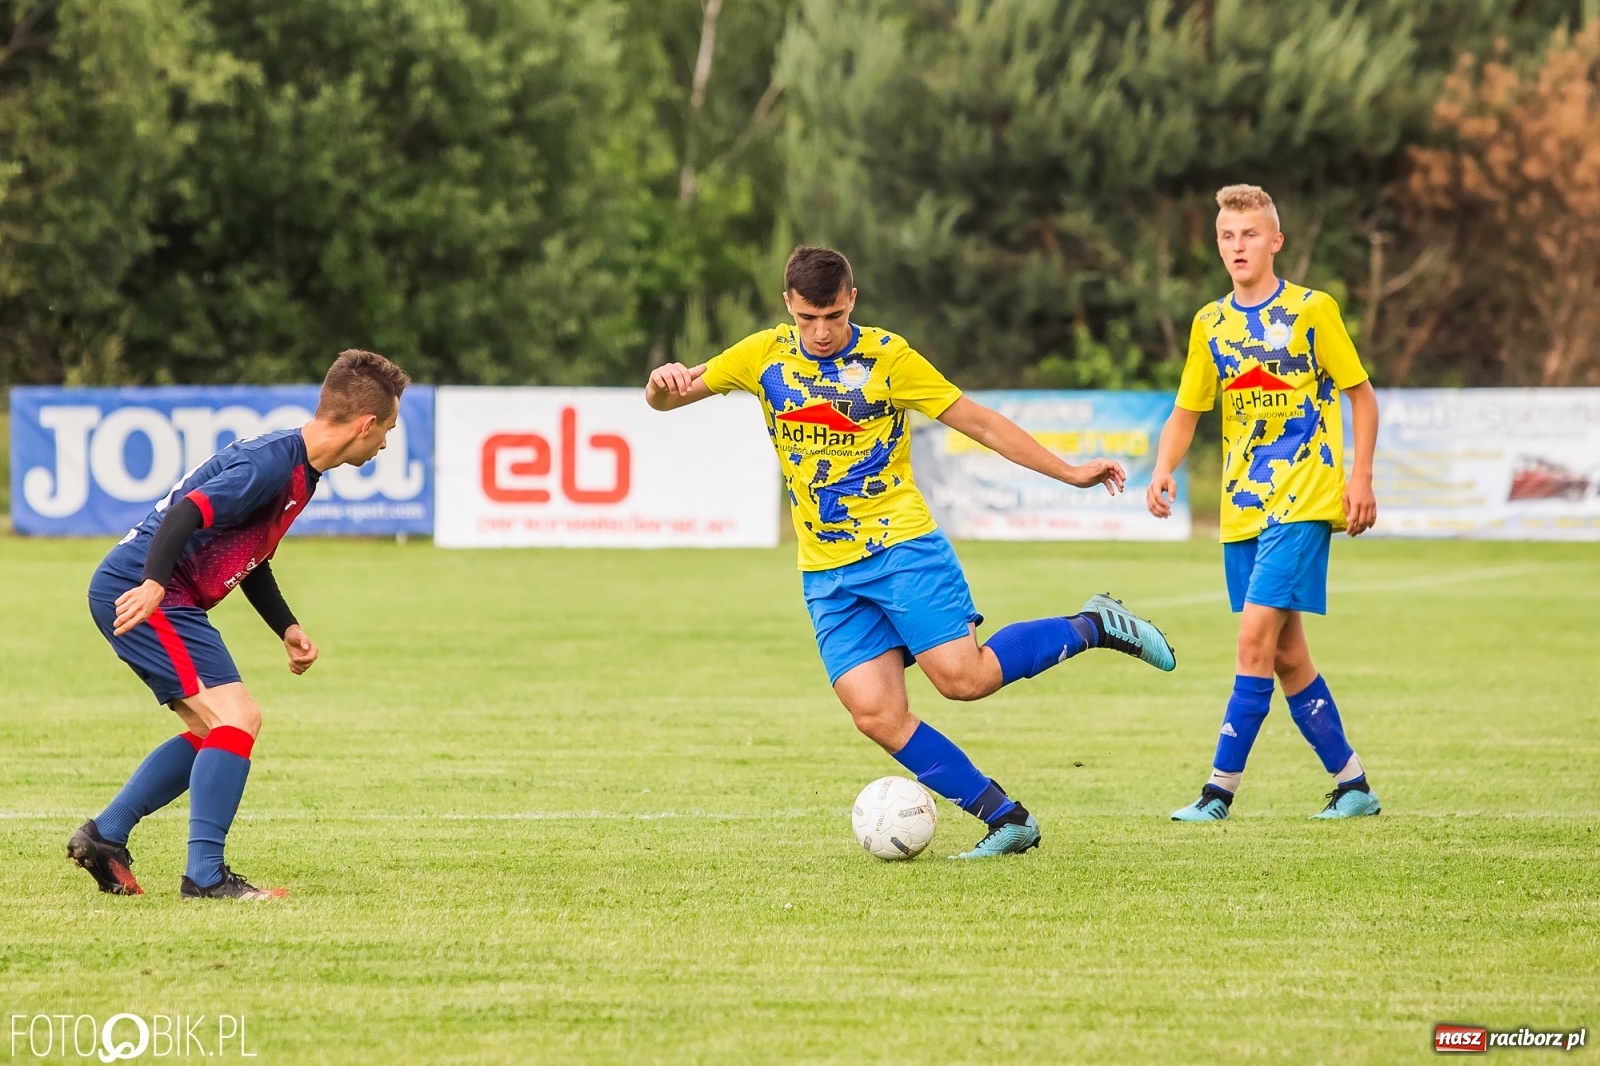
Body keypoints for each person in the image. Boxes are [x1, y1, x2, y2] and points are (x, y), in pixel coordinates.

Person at [646, 246, 1176, 859]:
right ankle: (1007, 820)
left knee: (964, 679)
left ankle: (1095, 624)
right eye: (808, 318)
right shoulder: (760, 354)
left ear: (852, 300)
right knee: (875, 714)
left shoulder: (888, 357)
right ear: (788, 304)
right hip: (825, 571)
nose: (822, 332)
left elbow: (981, 423)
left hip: (900, 547)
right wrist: (662, 385)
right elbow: (670, 400)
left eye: (834, 316)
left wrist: (1070, 472)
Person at [67, 349, 411, 898]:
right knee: (238, 717)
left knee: (216, 730)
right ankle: (205, 877)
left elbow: (249, 554)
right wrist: (153, 583)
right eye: (387, 430)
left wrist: (286, 626)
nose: (386, 444)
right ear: (365, 424)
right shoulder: (269, 465)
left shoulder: (299, 469)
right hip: (145, 590)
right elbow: (187, 512)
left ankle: (106, 835)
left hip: (161, 591)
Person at [1147, 184, 1381, 821]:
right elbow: (1186, 410)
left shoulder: (1312, 310)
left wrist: (1360, 478)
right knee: (1285, 655)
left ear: (1275, 241)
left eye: (1249, 234)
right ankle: (1354, 786)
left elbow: (1361, 397)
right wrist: (1164, 468)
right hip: (1243, 508)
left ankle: (1217, 793)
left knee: (1252, 641)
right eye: (1227, 236)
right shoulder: (1209, 323)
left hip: (1304, 500)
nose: (1237, 246)